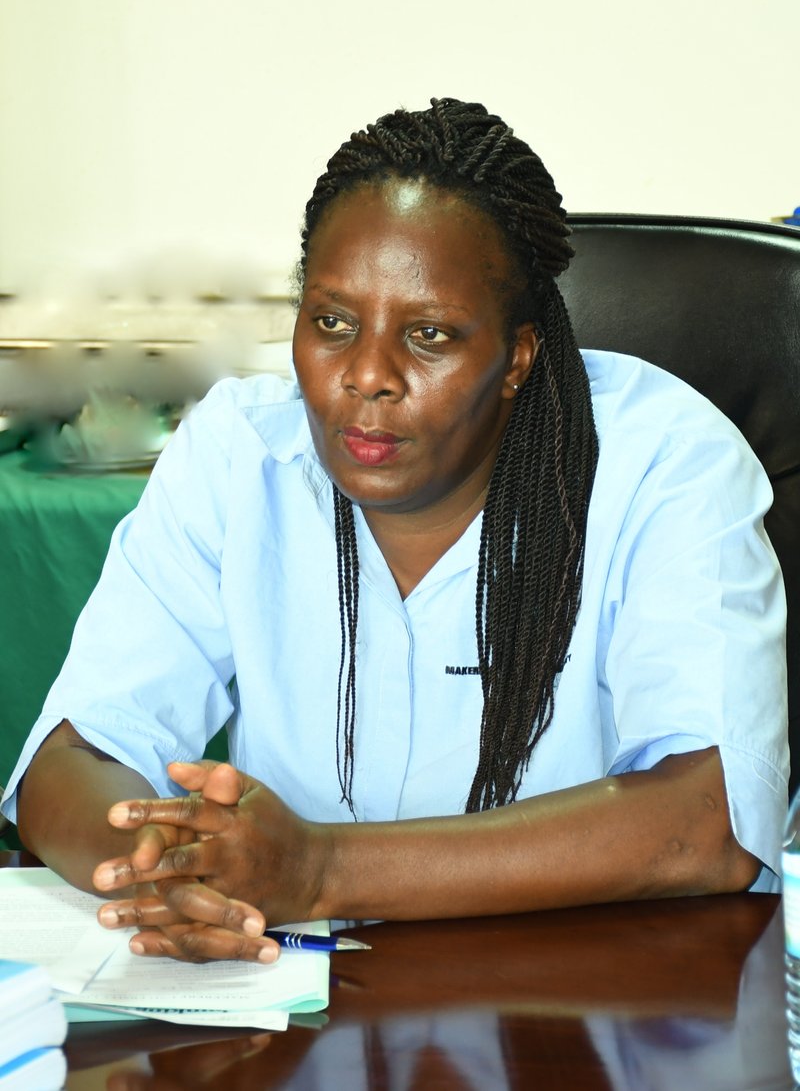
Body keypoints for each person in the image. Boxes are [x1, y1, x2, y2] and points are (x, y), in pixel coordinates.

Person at [1, 98, 788, 965]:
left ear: (518, 356)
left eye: (429, 335)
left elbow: (707, 822)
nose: (367, 376)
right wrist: (167, 869)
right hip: (294, 1005)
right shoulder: (238, 453)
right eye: (332, 322)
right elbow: (75, 754)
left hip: (597, 1003)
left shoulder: (664, 461)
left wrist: (320, 870)